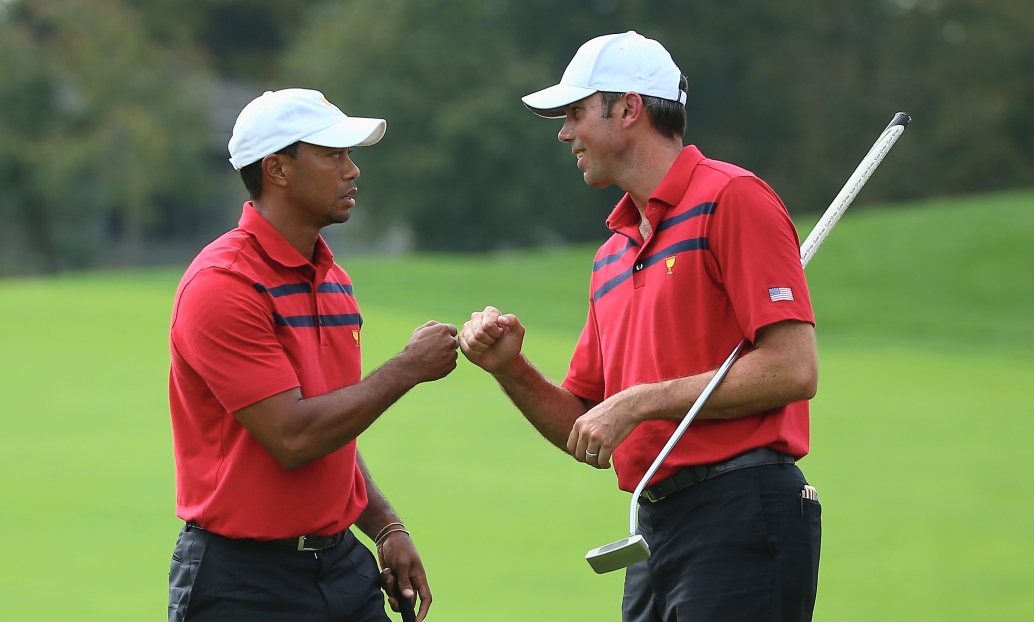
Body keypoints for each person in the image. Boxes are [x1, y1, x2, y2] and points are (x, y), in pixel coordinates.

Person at [459, 32, 821, 621]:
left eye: (575, 113)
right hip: (655, 527)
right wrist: (511, 369)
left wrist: (642, 402)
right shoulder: (612, 253)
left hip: (743, 509)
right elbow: (586, 422)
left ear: (628, 109)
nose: (564, 132)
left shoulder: (733, 198)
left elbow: (792, 368)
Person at [168, 88, 457, 622]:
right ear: (277, 169)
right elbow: (294, 436)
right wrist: (407, 369)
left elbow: (331, 423)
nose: (353, 171)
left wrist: (385, 525)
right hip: (242, 583)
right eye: (333, 154)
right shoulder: (223, 284)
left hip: (341, 564)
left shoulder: (334, 281)